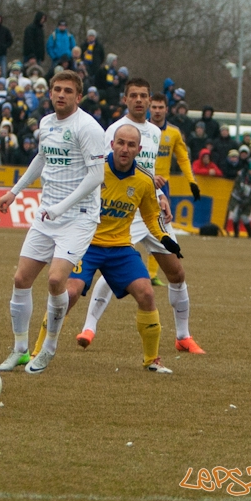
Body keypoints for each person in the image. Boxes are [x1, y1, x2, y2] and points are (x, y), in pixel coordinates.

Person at [68, 77, 204, 355]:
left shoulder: (154, 132)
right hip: (121, 213)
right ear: (126, 99)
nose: (140, 100)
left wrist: (159, 196)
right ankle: (89, 327)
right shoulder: (115, 130)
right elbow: (107, 169)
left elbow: (147, 171)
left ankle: (183, 336)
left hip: (149, 210)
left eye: (144, 95)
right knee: (112, 270)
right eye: (135, 96)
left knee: (176, 271)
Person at [0, 70, 105, 375]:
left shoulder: (88, 127)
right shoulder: (46, 123)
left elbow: (97, 176)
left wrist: (62, 207)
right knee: (20, 280)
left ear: (78, 96)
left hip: (78, 217)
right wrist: (14, 192)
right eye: (56, 89)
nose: (60, 95)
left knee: (56, 281)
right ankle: (19, 350)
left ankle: (48, 348)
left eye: (67, 91)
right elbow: (41, 158)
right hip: (47, 215)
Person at [50, 125, 181, 373]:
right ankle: (40, 350)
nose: (125, 148)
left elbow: (152, 217)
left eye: (131, 145)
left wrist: (165, 239)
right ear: (111, 144)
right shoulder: (94, 171)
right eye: (121, 142)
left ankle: (152, 360)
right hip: (87, 243)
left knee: (146, 294)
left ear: (139, 150)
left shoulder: (144, 180)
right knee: (69, 293)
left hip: (120, 247)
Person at [146, 93, 198, 287]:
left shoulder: (174, 133)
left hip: (162, 186)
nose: (157, 111)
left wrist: (191, 181)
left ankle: (151, 273)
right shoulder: (141, 130)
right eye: (154, 107)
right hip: (140, 181)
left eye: (161, 107)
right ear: (149, 107)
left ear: (167, 109)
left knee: (160, 227)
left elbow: (183, 158)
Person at [227, 161, 251, 238]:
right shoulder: (241, 175)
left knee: (244, 217)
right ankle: (236, 234)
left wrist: (245, 202)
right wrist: (240, 191)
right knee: (235, 216)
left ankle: (250, 235)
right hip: (237, 198)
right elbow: (236, 185)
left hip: (247, 201)